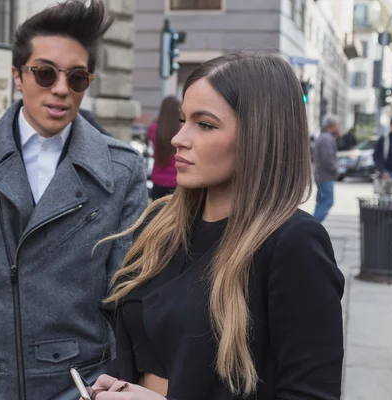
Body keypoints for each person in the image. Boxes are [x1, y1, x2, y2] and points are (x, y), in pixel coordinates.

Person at [0, 1, 148, 399]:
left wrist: (118, 385)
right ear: (18, 76)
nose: (60, 89)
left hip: (79, 386)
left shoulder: (121, 170)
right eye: (44, 73)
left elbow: (129, 300)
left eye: (76, 78)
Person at [91, 51, 345, 400]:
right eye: (182, 120)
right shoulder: (161, 225)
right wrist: (117, 383)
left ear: (260, 137)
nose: (179, 138)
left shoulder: (293, 244)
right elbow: (150, 346)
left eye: (205, 124)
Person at [148, 96, 180, 200]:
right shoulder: (181, 130)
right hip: (176, 180)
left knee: (157, 213)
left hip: (157, 178)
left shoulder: (153, 128)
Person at [313, 115, 341, 223]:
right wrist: (336, 170)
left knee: (322, 201)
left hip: (322, 175)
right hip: (325, 176)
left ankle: (313, 224)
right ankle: (314, 224)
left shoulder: (324, 137)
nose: (338, 127)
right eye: (337, 125)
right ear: (333, 126)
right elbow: (327, 158)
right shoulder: (326, 139)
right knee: (327, 201)